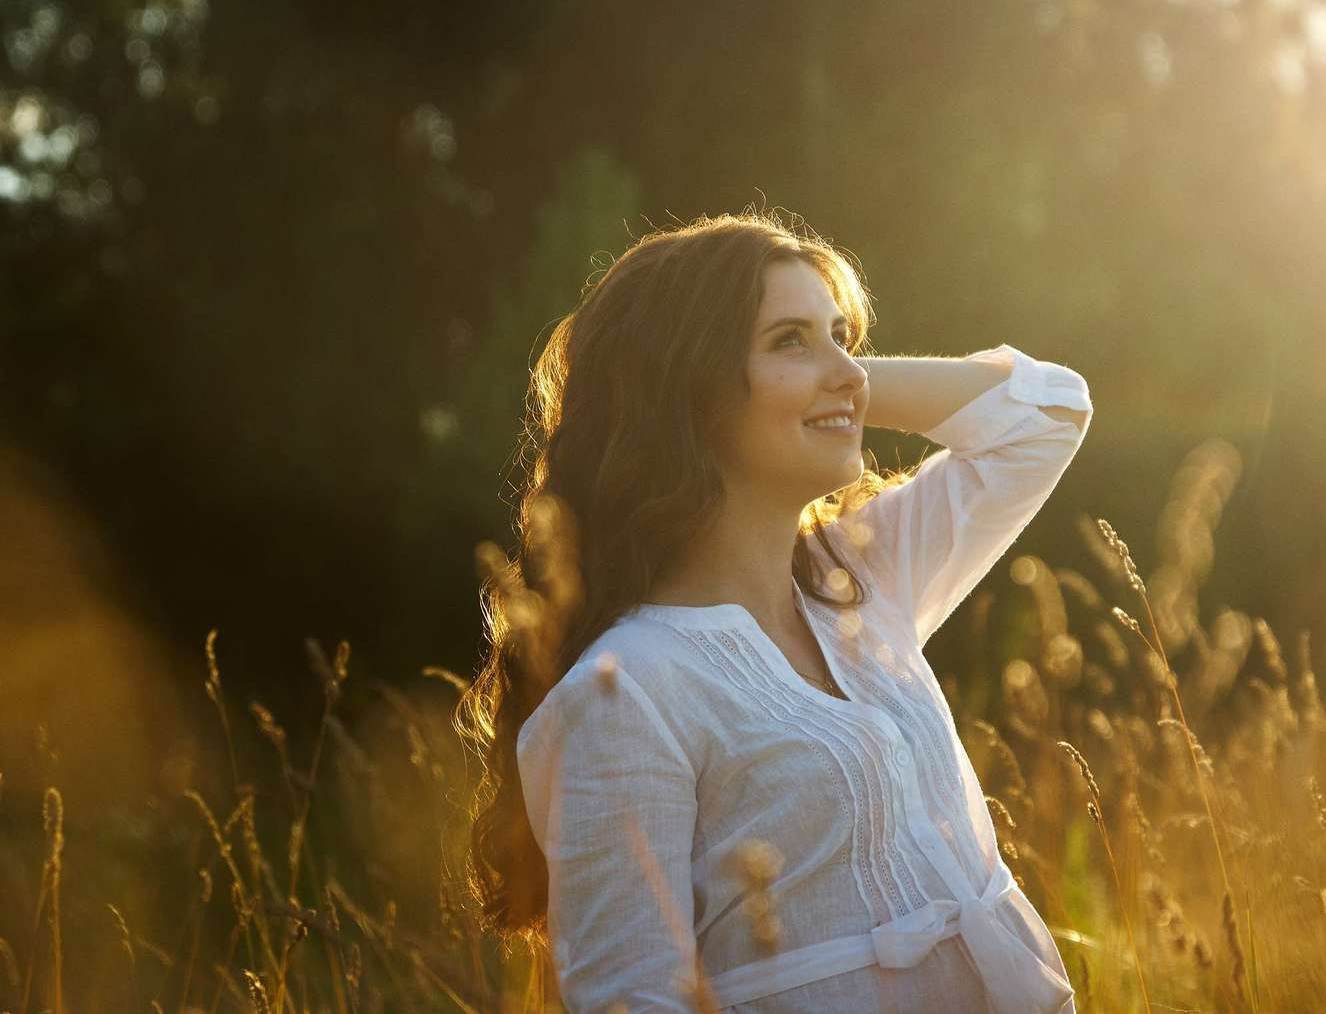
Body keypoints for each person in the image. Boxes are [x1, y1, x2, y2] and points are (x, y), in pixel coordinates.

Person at [459, 209, 1091, 1012]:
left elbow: (1047, 414)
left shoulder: (858, 576)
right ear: (685, 386)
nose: (848, 367)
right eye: (790, 338)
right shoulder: (628, 690)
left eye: (841, 335)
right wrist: (810, 393)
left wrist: (832, 387)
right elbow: (635, 1001)